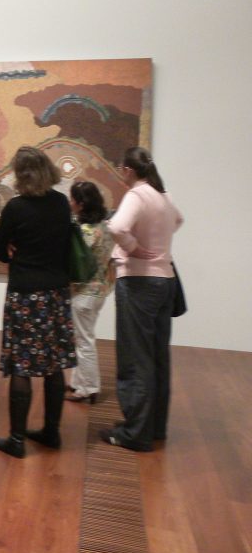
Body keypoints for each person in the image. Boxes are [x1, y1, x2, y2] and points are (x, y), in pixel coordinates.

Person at [0, 146, 75, 458]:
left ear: (20, 174)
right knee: (54, 365)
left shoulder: (16, 207)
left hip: (26, 294)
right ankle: (52, 432)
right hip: (55, 293)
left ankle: (16, 439)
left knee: (21, 367)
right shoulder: (61, 203)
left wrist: (14, 249)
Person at [100, 147, 183, 452]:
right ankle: (154, 426)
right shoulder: (164, 195)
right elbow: (178, 220)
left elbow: (117, 227)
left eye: (121, 169)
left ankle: (135, 432)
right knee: (158, 356)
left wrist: (134, 247)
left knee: (136, 358)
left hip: (138, 281)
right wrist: (156, 245)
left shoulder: (137, 195)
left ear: (129, 171)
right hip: (165, 280)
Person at [66, 181, 114, 404]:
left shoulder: (85, 232)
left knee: (84, 341)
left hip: (84, 292)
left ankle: (89, 388)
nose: (70, 202)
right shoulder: (105, 227)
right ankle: (79, 382)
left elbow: (73, 261)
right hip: (100, 290)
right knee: (83, 337)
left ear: (81, 204)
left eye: (73, 199)